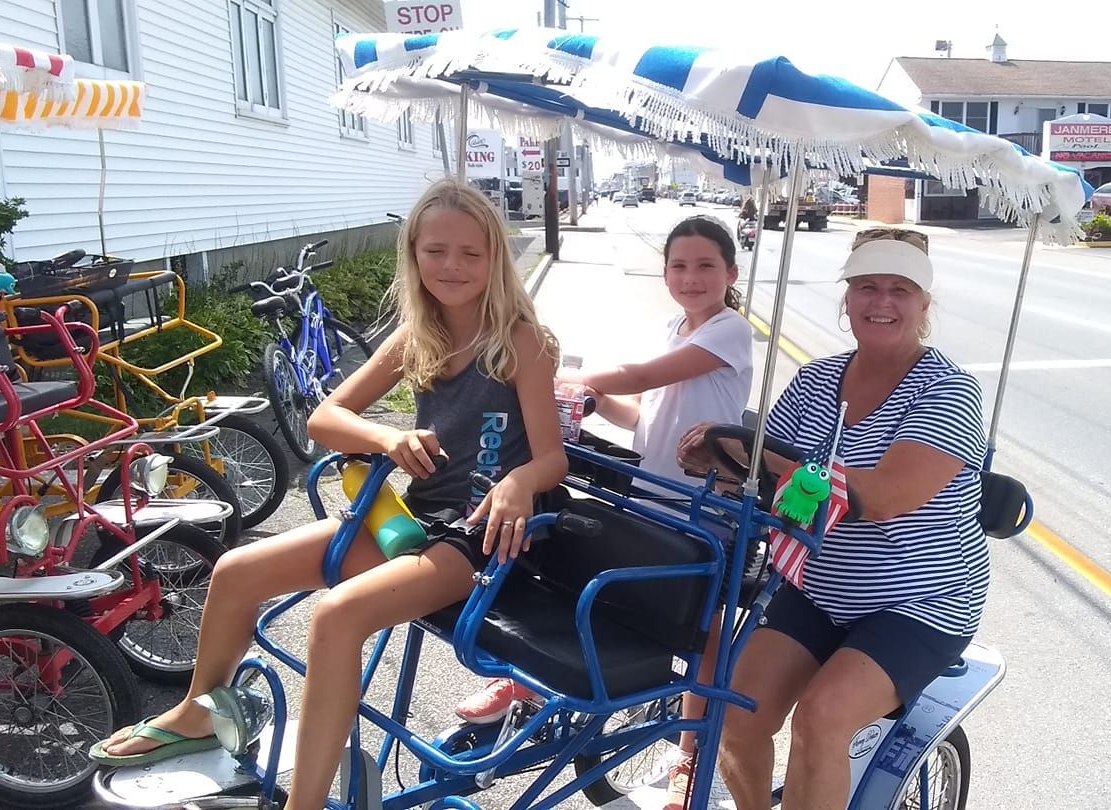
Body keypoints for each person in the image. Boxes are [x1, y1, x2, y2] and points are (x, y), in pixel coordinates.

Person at [89, 179, 569, 810]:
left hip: (480, 539)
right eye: (436, 251)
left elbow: (552, 459)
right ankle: (195, 713)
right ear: (414, 255)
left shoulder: (520, 341)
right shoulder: (415, 337)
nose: (452, 266)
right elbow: (324, 419)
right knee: (235, 570)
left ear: (495, 260)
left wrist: (516, 481)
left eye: (471, 254)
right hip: (415, 520)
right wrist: (386, 437)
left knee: (335, 616)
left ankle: (305, 803)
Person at [675, 228, 990, 809]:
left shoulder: (948, 390)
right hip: (820, 584)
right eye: (866, 287)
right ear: (847, 299)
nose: (881, 302)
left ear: (925, 304)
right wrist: (718, 459)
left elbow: (883, 496)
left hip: (920, 600)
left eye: (900, 289)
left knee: (821, 719)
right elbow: (762, 467)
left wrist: (756, 455)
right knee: (734, 715)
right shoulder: (818, 378)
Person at [453, 214, 754, 809]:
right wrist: (589, 400)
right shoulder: (676, 325)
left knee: (703, 631)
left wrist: (555, 374)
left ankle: (691, 754)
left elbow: (643, 373)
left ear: (730, 273)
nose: (690, 277)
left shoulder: (730, 331)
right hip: (646, 492)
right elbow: (643, 414)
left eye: (705, 266)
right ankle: (524, 682)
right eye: (679, 266)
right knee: (577, 571)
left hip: (700, 507)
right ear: (665, 273)